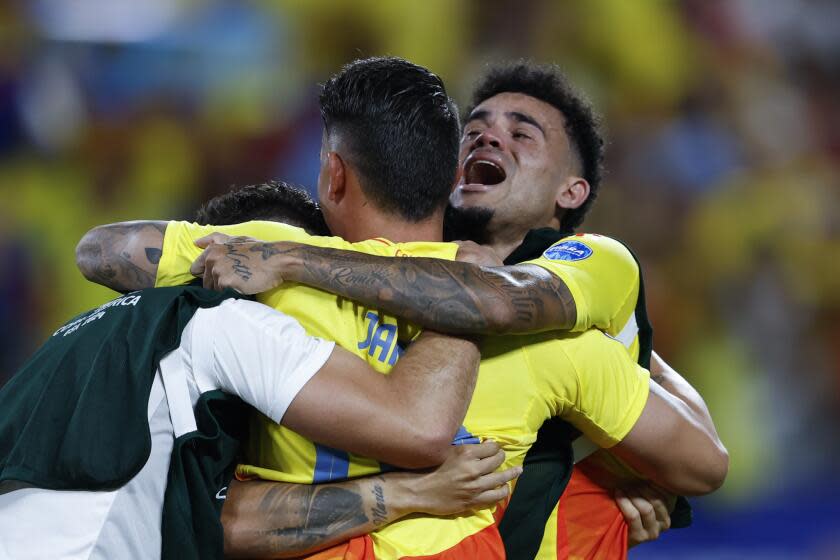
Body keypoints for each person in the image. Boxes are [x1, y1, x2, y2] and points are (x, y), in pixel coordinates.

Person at [78, 57, 727, 558]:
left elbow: (107, 251)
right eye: (474, 131)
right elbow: (217, 518)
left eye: (520, 132)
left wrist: (291, 260)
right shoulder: (557, 348)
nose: (489, 140)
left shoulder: (582, 285)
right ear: (448, 174)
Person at [0, 181, 517, 560]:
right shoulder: (225, 323)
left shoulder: (75, 339)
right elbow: (418, 425)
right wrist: (470, 287)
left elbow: (229, 521)